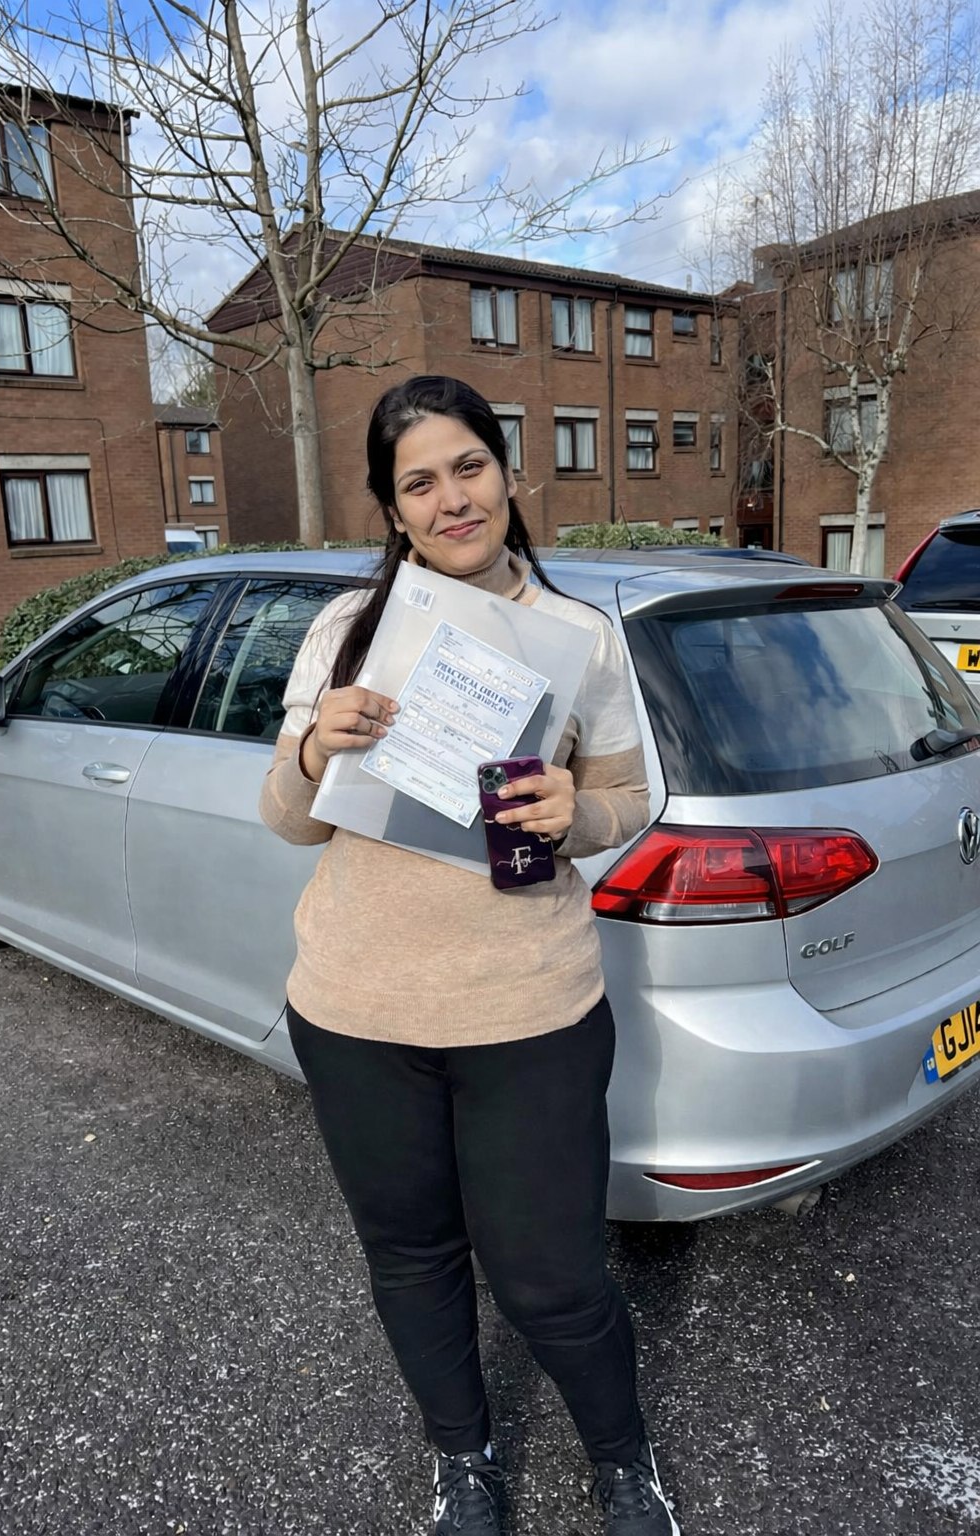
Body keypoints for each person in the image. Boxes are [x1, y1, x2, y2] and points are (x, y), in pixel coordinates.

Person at [259, 375, 681, 1536]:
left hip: (529, 1015)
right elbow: (290, 820)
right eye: (419, 483)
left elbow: (629, 797)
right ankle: (465, 1461)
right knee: (411, 1256)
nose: (451, 499)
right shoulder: (346, 634)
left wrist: (574, 816)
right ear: (392, 512)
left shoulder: (579, 641)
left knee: (553, 1278)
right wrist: (311, 749)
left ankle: (621, 1461)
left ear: (506, 473)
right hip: (354, 1012)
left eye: (468, 467)